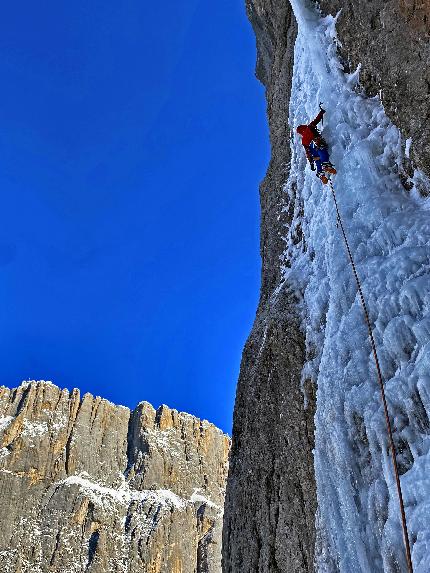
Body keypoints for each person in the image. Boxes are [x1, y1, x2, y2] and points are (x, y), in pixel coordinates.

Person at [296, 106, 336, 184]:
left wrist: (311, 162)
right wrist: (321, 112)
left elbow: (307, 152)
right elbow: (317, 119)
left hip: (312, 150)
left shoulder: (303, 141)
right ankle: (326, 165)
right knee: (322, 150)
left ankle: (321, 174)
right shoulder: (309, 127)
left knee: (317, 159)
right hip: (316, 142)